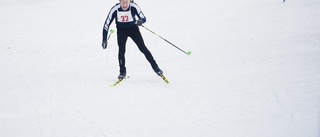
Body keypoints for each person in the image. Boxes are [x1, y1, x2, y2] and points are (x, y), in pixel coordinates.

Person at [102, 0, 163, 80]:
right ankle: (122, 71)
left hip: (133, 29)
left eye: (126, 2)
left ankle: (156, 68)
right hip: (121, 31)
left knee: (143, 48)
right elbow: (106, 24)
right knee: (121, 50)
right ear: (120, 2)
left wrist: (140, 21)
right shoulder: (115, 9)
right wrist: (104, 39)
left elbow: (143, 17)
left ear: (129, 1)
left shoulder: (134, 6)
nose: (124, 5)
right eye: (123, 2)